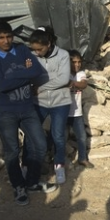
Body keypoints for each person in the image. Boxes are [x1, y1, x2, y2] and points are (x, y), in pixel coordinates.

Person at [0, 21, 57, 206]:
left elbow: (38, 71)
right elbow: (0, 85)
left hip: (27, 109)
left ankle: (31, 182)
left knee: (40, 145)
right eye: (1, 37)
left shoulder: (22, 50)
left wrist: (12, 76)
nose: (6, 40)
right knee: (12, 151)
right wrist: (25, 73)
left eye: (9, 36)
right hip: (6, 112)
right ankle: (18, 186)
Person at [29, 26, 71, 184]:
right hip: (38, 102)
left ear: (49, 44)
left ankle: (59, 165)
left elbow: (64, 79)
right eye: (34, 50)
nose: (37, 53)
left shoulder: (63, 55)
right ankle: (29, 165)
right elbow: (29, 76)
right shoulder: (32, 56)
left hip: (60, 102)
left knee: (58, 135)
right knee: (32, 135)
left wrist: (40, 87)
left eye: (40, 49)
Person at [67, 49, 94, 169]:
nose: (77, 64)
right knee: (59, 138)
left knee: (82, 137)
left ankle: (82, 158)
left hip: (77, 113)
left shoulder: (80, 74)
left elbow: (83, 84)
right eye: (74, 62)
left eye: (79, 62)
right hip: (63, 113)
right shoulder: (64, 73)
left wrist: (71, 83)